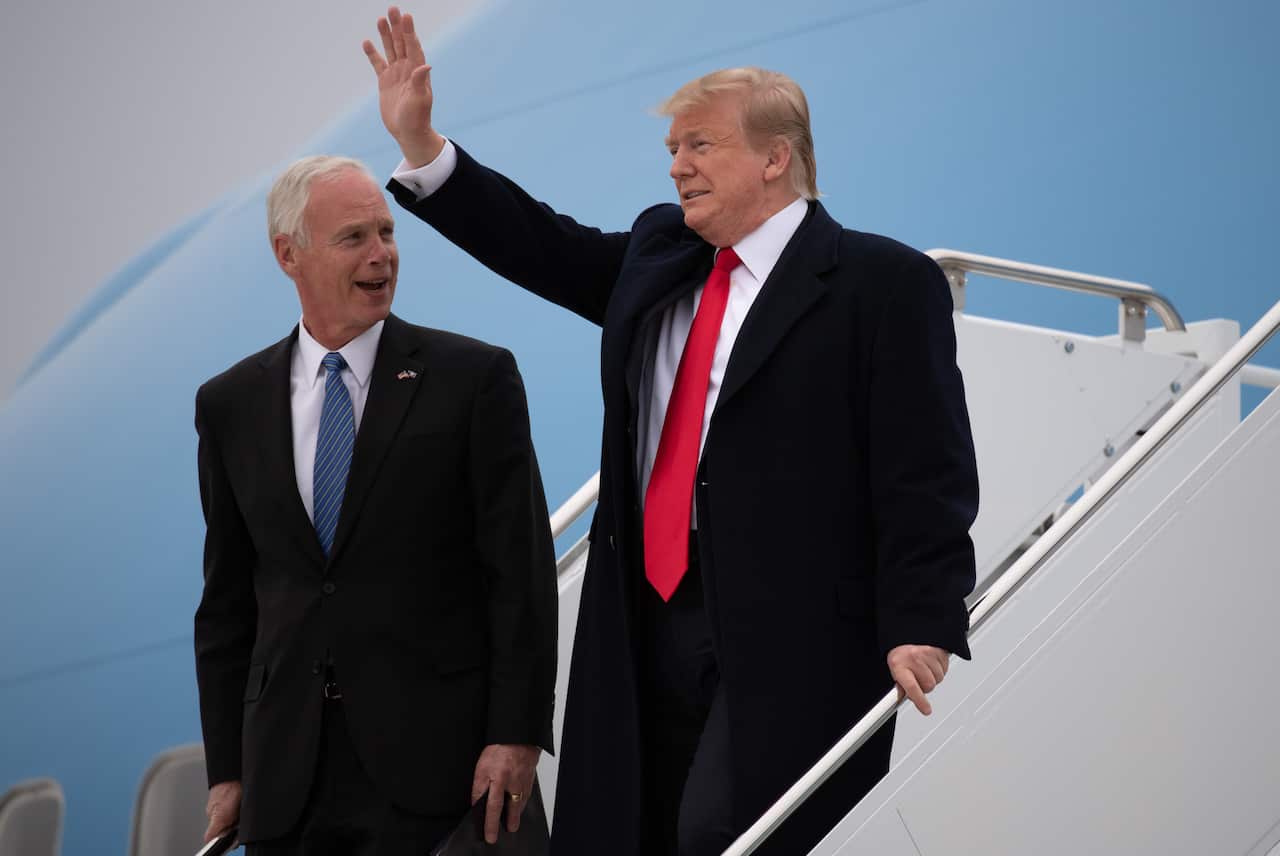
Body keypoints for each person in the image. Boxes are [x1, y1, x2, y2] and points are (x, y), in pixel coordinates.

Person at [364, 9, 979, 854]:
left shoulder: (880, 282)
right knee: (637, 831)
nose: (677, 166)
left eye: (700, 146)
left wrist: (924, 616)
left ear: (775, 157)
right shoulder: (661, 259)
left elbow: (925, 469)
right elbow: (541, 245)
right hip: (647, 616)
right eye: (672, 151)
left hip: (796, 627)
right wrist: (427, 146)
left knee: (722, 831)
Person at [193, 154, 558, 855]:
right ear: (288, 255)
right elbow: (229, 604)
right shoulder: (231, 404)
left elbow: (521, 574)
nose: (381, 255)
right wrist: (229, 770)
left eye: (387, 233)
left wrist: (515, 734)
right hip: (290, 783)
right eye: (354, 237)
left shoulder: (472, 379)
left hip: (446, 774)